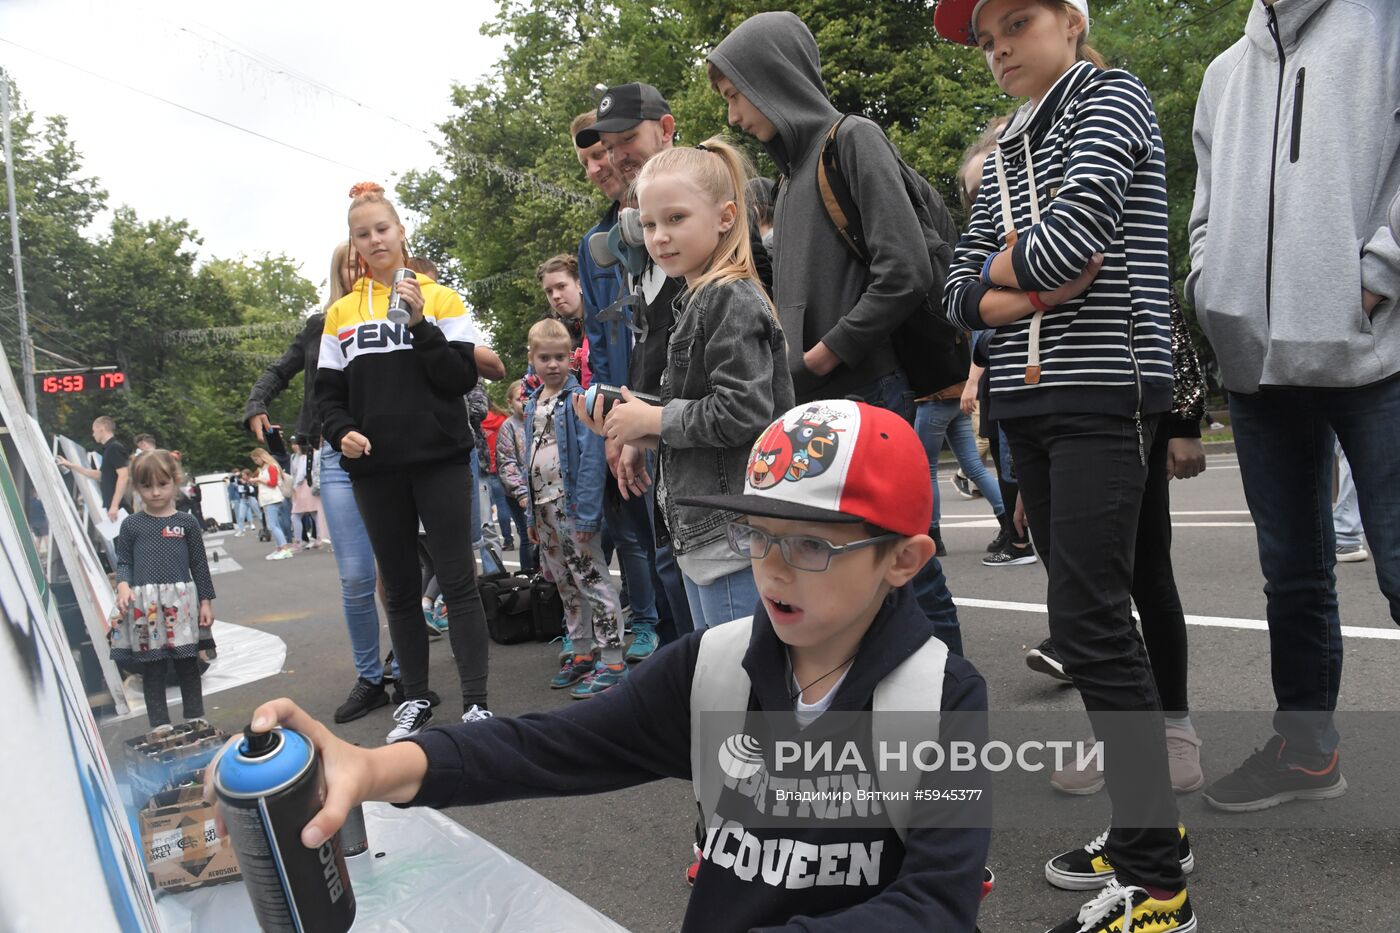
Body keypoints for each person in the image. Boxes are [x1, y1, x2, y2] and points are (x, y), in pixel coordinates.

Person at [228, 399, 990, 932]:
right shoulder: (712, 670)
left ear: (904, 559)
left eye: (813, 544)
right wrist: (376, 766)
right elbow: (548, 748)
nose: (774, 569)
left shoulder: (942, 696)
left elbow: (935, 904)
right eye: (759, 534)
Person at [936, 1, 1193, 931]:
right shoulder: (1005, 142)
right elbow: (955, 291)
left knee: (1089, 619)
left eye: (1016, 19)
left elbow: (1076, 236)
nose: (997, 43)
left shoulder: (1111, 98)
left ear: (1073, 20)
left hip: (1101, 391)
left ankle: (1158, 883)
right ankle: (1144, 834)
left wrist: (1006, 276)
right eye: (983, 33)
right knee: (1084, 613)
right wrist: (1022, 291)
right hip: (1026, 402)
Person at [1186, 0, 1399, 814]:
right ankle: (1307, 750)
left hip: (1377, 349)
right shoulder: (1223, 73)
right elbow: (1205, 212)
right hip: (1256, 366)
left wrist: (1382, 269)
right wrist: (1213, 291)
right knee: (1293, 576)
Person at [317, 181, 495, 742]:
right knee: (397, 590)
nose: (374, 240)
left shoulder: (441, 298)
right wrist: (342, 431)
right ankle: (414, 698)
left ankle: (475, 703)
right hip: (376, 470)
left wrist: (419, 325)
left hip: (440, 458)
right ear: (353, 245)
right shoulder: (339, 314)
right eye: (362, 234)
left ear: (401, 233)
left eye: (382, 229)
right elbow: (327, 396)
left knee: (458, 581)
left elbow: (460, 377)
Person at [603, 137, 795, 630]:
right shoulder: (696, 299)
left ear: (726, 217)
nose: (659, 236)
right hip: (706, 530)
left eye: (675, 219)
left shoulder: (728, 297)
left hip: (730, 533)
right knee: (723, 673)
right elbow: (702, 417)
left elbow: (743, 412)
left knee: (739, 685)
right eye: (648, 224)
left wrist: (654, 418)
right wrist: (640, 431)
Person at [571, 102, 675, 653]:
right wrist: (616, 428)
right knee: (660, 546)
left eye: (607, 151)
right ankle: (675, 667)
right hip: (635, 415)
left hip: (687, 409)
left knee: (697, 553)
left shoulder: (686, 208)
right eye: (590, 157)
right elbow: (601, 340)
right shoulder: (597, 244)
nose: (599, 165)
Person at [521, 318, 627, 697]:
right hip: (544, 510)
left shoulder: (577, 401)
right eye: (545, 357)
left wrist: (587, 512)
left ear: (572, 358)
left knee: (593, 580)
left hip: (571, 507)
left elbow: (592, 459)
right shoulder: (533, 403)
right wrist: (531, 516)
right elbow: (527, 461)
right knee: (565, 583)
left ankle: (613, 659)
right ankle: (581, 651)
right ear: (531, 359)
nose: (553, 364)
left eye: (560, 357)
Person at [109, 450, 215, 729]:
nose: (155, 492)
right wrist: (122, 585)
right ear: (136, 486)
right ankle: (159, 724)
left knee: (187, 664)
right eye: (146, 486)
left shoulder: (186, 523)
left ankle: (195, 717)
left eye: (162, 484)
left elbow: (199, 564)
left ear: (175, 481)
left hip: (181, 605)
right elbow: (124, 562)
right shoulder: (131, 525)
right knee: (152, 666)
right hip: (146, 609)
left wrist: (206, 601)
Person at [493, 380, 536, 573]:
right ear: (510, 402)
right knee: (527, 536)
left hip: (542, 490)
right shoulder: (508, 427)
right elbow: (506, 463)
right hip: (520, 495)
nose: (524, 402)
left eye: (527, 397)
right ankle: (528, 577)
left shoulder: (539, 420)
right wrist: (521, 493)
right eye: (519, 399)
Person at [56, 415, 129, 523]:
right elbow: (100, 475)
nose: (93, 434)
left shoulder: (114, 448)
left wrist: (114, 505)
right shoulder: (109, 449)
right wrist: (71, 465)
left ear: (101, 429)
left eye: (94, 430)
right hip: (115, 506)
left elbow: (123, 476)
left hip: (118, 507)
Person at [537, 254, 590, 384]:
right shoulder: (547, 335)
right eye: (549, 291)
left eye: (561, 286)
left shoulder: (604, 324)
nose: (555, 296)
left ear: (578, 284)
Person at [250, 448, 295, 561]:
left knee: (273, 526)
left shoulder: (271, 467)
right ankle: (280, 548)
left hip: (272, 499)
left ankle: (284, 548)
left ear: (261, 457)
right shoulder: (267, 467)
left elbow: (273, 483)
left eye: (256, 459)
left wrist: (259, 480)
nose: (256, 462)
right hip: (270, 499)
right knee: (275, 525)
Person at [287, 441, 325, 550]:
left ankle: (298, 541)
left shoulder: (304, 457)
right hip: (309, 485)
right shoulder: (299, 456)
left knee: (296, 515)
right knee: (314, 513)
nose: (294, 446)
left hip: (302, 486)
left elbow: (301, 473)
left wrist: (294, 486)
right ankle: (319, 538)